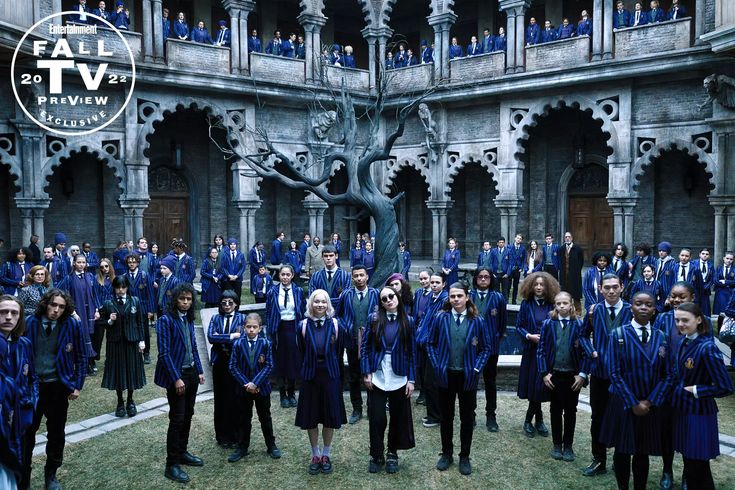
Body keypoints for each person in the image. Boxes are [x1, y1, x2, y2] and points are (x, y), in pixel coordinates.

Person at [600, 291, 672, 490]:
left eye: (648, 304)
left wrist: (648, 402)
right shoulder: (618, 335)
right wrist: (633, 403)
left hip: (649, 405)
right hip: (624, 403)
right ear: (631, 306)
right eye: (638, 303)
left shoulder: (661, 337)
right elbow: (614, 373)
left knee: (642, 451)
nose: (643, 308)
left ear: (654, 309)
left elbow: (668, 374)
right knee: (623, 450)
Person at [23, 289, 86, 490]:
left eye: (61, 306)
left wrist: (77, 385)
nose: (56, 310)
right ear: (45, 304)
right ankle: (24, 476)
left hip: (58, 386)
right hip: (32, 387)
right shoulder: (29, 322)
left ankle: (51, 474)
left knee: (56, 433)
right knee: (26, 433)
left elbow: (81, 356)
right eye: (53, 305)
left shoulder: (71, 325)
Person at [428, 282, 493, 476]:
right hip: (445, 375)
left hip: (467, 377)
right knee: (446, 417)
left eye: (459, 296)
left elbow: (486, 348)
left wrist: (476, 368)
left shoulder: (477, 321)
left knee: (466, 418)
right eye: (452, 296)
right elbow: (430, 343)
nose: (455, 299)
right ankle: (446, 453)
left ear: (467, 296)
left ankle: (464, 456)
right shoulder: (441, 318)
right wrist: (437, 364)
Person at [672, 302, 732, 490]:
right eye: (677, 320)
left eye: (685, 320)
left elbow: (725, 387)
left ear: (699, 320)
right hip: (683, 411)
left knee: (699, 465)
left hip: (699, 414)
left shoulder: (707, 348)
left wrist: (697, 390)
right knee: (690, 463)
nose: (680, 324)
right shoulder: (685, 341)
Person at [580, 272, 632, 477]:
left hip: (624, 377)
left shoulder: (631, 310)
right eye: (607, 287)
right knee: (598, 417)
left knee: (622, 417)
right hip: (600, 375)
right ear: (600, 289)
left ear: (622, 287)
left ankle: (620, 459)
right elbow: (582, 335)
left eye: (615, 287)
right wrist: (591, 351)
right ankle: (599, 459)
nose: (611, 291)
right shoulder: (594, 311)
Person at [362, 286, 417, 474]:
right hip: (377, 374)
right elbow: (365, 348)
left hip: (399, 376)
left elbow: (412, 353)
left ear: (398, 298)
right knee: (376, 417)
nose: (388, 300)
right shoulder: (374, 319)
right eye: (384, 299)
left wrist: (412, 380)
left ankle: (392, 453)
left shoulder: (408, 321)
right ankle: (376, 454)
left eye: (391, 297)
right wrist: (366, 371)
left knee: (397, 418)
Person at [155, 283, 205, 484]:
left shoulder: (189, 319)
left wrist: (200, 370)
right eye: (182, 299)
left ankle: (182, 452)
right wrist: (176, 378)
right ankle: (171, 464)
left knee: (188, 415)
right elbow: (164, 353)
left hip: (191, 373)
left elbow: (193, 346)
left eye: (189, 299)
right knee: (177, 418)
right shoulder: (165, 320)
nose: (185, 302)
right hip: (176, 376)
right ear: (175, 300)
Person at [653, 282, 701, 489]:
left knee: (689, 433)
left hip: (691, 388)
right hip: (667, 387)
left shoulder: (702, 322)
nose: (676, 300)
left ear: (692, 297)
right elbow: (655, 349)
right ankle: (667, 471)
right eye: (673, 296)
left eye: (682, 297)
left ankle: (688, 475)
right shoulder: (662, 319)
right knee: (667, 431)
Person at [295, 289, 348, 475]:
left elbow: (339, 351)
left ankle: (326, 453)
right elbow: (301, 351)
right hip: (310, 375)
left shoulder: (335, 325)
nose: (320, 305)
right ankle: (315, 454)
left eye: (323, 302)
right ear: (311, 304)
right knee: (311, 417)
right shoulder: (302, 325)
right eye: (316, 302)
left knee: (329, 416)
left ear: (328, 305)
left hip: (330, 375)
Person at [537, 291, 588, 462]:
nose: (562, 306)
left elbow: (585, 353)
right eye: (558, 304)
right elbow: (541, 350)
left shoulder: (579, 325)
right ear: (555, 305)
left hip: (573, 377)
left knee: (571, 411)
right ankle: (557, 444)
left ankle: (568, 445)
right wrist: (544, 373)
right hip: (554, 375)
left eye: (565, 303)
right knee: (555, 409)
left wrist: (582, 374)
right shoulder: (547, 324)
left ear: (571, 304)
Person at [227, 313, 282, 462]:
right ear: (244, 327)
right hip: (243, 389)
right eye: (248, 327)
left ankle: (271, 445)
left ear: (260, 328)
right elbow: (233, 367)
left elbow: (269, 365)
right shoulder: (238, 344)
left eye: (254, 327)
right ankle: (242, 447)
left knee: (265, 417)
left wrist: (255, 383)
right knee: (243, 418)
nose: (251, 330)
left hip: (261, 388)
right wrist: (247, 384)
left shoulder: (266, 344)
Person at [0, 295, 36, 490]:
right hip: (1, 420)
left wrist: (31, 405)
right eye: (3, 312)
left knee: (22, 461)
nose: (8, 317)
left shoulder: (24, 344)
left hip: (21, 418)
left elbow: (33, 378)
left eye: (14, 313)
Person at [516, 272, 558, 438]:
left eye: (542, 285)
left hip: (547, 353)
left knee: (540, 385)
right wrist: (529, 336)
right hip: (531, 351)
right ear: (531, 286)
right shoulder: (526, 304)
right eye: (536, 284)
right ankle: (534, 420)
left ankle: (534, 419)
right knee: (534, 385)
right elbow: (519, 326)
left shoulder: (552, 305)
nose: (539, 287)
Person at [98, 276, 146, 418]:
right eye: (118, 287)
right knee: (118, 371)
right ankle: (120, 401)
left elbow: (140, 322)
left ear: (127, 287)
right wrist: (109, 321)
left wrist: (142, 340)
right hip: (115, 343)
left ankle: (130, 400)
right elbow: (100, 323)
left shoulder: (134, 301)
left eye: (123, 287)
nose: (120, 290)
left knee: (131, 370)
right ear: (114, 288)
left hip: (131, 341)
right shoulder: (108, 303)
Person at [336, 265, 378, 424]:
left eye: (362, 275)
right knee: (354, 376)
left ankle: (371, 407)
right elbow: (338, 315)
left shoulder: (375, 293)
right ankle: (357, 408)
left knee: (371, 375)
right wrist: (345, 326)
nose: (359, 278)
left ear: (367, 276)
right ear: (352, 278)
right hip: (352, 342)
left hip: (372, 344)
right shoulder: (346, 295)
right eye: (356, 276)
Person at [471, 267, 506, 432]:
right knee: (471, 380)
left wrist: (494, 339)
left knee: (490, 381)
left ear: (491, 279)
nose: (483, 280)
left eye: (486, 277)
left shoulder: (498, 298)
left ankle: (491, 415)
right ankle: (470, 414)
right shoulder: (469, 296)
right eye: (480, 277)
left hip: (491, 348)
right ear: (476, 279)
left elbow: (502, 324)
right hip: (471, 348)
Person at [207, 290, 243, 448]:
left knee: (236, 398)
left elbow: (241, 339)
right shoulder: (215, 318)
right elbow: (210, 337)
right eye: (224, 303)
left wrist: (220, 336)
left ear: (236, 303)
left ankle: (236, 435)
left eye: (230, 302)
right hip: (220, 362)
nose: (227, 305)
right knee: (221, 399)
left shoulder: (242, 319)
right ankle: (222, 436)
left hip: (236, 363)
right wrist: (230, 336)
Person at [266, 264, 306, 408]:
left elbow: (302, 310)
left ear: (292, 275)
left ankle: (291, 392)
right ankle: (283, 394)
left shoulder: (298, 291)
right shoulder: (273, 292)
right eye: (282, 274)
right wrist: (270, 334)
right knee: (281, 362)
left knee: (293, 362)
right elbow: (269, 313)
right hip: (279, 329)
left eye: (288, 275)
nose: (285, 277)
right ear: (279, 275)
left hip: (293, 329)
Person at [58, 254, 99, 374]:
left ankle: (89, 363)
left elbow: (95, 294)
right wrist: (73, 312)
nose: (81, 265)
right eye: (79, 262)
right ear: (74, 263)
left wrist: (96, 310)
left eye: (83, 262)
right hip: (76, 312)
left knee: (90, 336)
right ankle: (81, 365)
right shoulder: (69, 278)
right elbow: (66, 296)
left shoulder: (90, 276)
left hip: (90, 312)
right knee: (79, 337)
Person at [416, 273, 447, 428]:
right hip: (427, 343)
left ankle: (436, 416)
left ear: (444, 284)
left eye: (437, 282)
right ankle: (432, 414)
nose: (434, 285)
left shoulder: (444, 301)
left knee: (432, 382)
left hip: (436, 347)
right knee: (429, 382)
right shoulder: (433, 298)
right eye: (432, 282)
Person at [124, 254, 155, 364]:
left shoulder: (144, 275)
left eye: (133, 262)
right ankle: (133, 353)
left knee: (144, 331)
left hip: (143, 308)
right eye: (129, 262)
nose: (131, 264)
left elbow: (150, 294)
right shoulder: (124, 276)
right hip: (129, 308)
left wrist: (151, 310)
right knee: (131, 329)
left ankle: (146, 353)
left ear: (137, 263)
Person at [91, 258, 114, 369]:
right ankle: (93, 359)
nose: (104, 269)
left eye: (106, 266)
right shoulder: (96, 279)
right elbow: (94, 295)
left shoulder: (115, 279)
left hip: (112, 309)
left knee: (112, 336)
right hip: (100, 309)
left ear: (110, 266)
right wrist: (97, 309)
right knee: (98, 336)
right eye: (102, 267)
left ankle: (110, 358)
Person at [559, 232, 584, 311]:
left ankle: (578, 311)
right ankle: (566, 310)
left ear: (572, 238)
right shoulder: (561, 248)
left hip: (574, 276)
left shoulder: (577, 249)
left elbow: (581, 261)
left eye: (569, 237)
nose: (567, 238)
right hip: (564, 275)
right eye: (566, 237)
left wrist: (575, 270)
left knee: (576, 295)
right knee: (565, 294)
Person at [692, 248, 714, 317]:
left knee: (705, 308)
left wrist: (707, 286)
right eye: (703, 254)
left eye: (707, 254)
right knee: (695, 305)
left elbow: (712, 278)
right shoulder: (694, 263)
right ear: (699, 255)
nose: (705, 255)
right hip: (695, 288)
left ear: (709, 256)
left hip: (705, 289)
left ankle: (706, 322)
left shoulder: (711, 265)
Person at [713, 251, 735, 315]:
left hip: (730, 293)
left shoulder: (734, 269)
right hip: (720, 292)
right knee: (719, 312)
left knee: (728, 312)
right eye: (727, 258)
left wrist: (725, 282)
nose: (729, 261)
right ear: (724, 258)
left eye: (731, 259)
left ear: (733, 260)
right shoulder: (719, 268)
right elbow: (715, 280)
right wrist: (729, 283)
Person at [508, 234, 527, 304]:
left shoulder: (522, 249)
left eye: (520, 239)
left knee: (515, 286)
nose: (518, 239)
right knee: (508, 285)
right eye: (517, 238)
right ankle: (506, 299)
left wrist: (521, 267)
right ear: (515, 238)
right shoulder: (509, 247)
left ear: (521, 240)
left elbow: (524, 259)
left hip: (517, 269)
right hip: (510, 269)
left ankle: (514, 300)